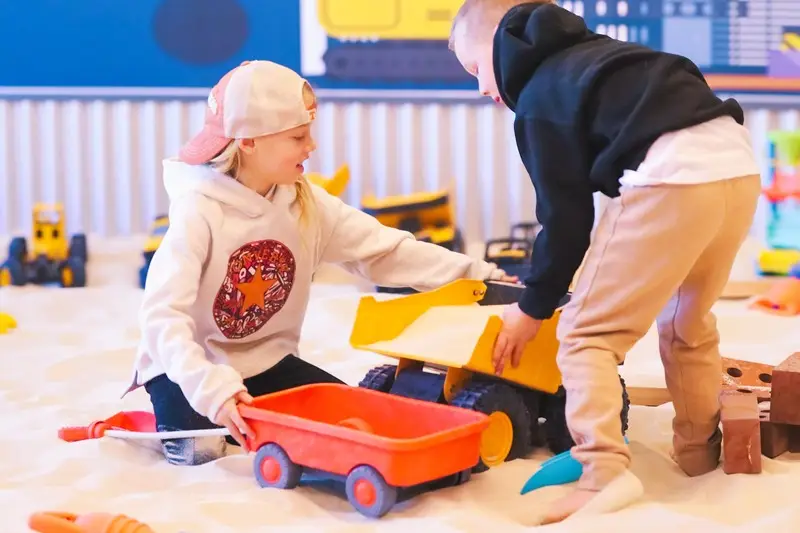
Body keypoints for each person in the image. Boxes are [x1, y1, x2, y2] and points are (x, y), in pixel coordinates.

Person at [449, 0, 761, 524]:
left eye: (476, 69)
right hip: (736, 164)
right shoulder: (603, 56)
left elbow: (566, 223)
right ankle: (699, 452)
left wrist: (533, 307)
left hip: (670, 177)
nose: (482, 88)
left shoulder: (541, 96)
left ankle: (602, 472)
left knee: (586, 334)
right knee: (688, 320)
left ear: (498, 42)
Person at [122, 60, 515, 466]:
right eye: (298, 136)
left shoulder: (304, 201)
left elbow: (385, 251)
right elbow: (163, 319)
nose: (311, 146)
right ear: (250, 142)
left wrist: (480, 276)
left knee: (355, 426)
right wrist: (212, 392)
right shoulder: (199, 211)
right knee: (202, 454)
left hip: (266, 365)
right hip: (187, 372)